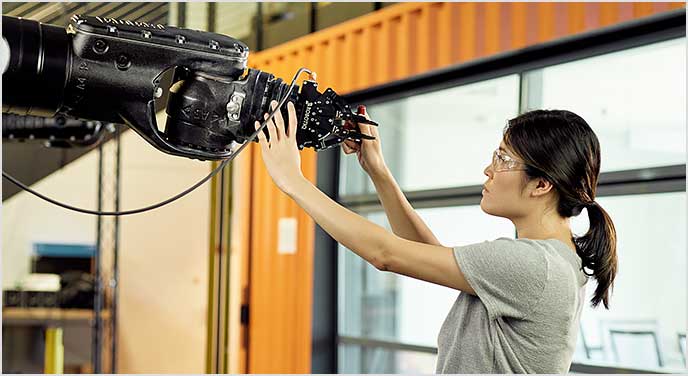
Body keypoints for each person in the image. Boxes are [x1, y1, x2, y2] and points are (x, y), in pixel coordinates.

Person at [254, 100, 617, 373]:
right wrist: (377, 170)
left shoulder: (536, 266)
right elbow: (424, 253)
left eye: (504, 159)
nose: (489, 169)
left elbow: (386, 254)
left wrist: (293, 182)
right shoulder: (552, 260)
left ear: (542, 184)